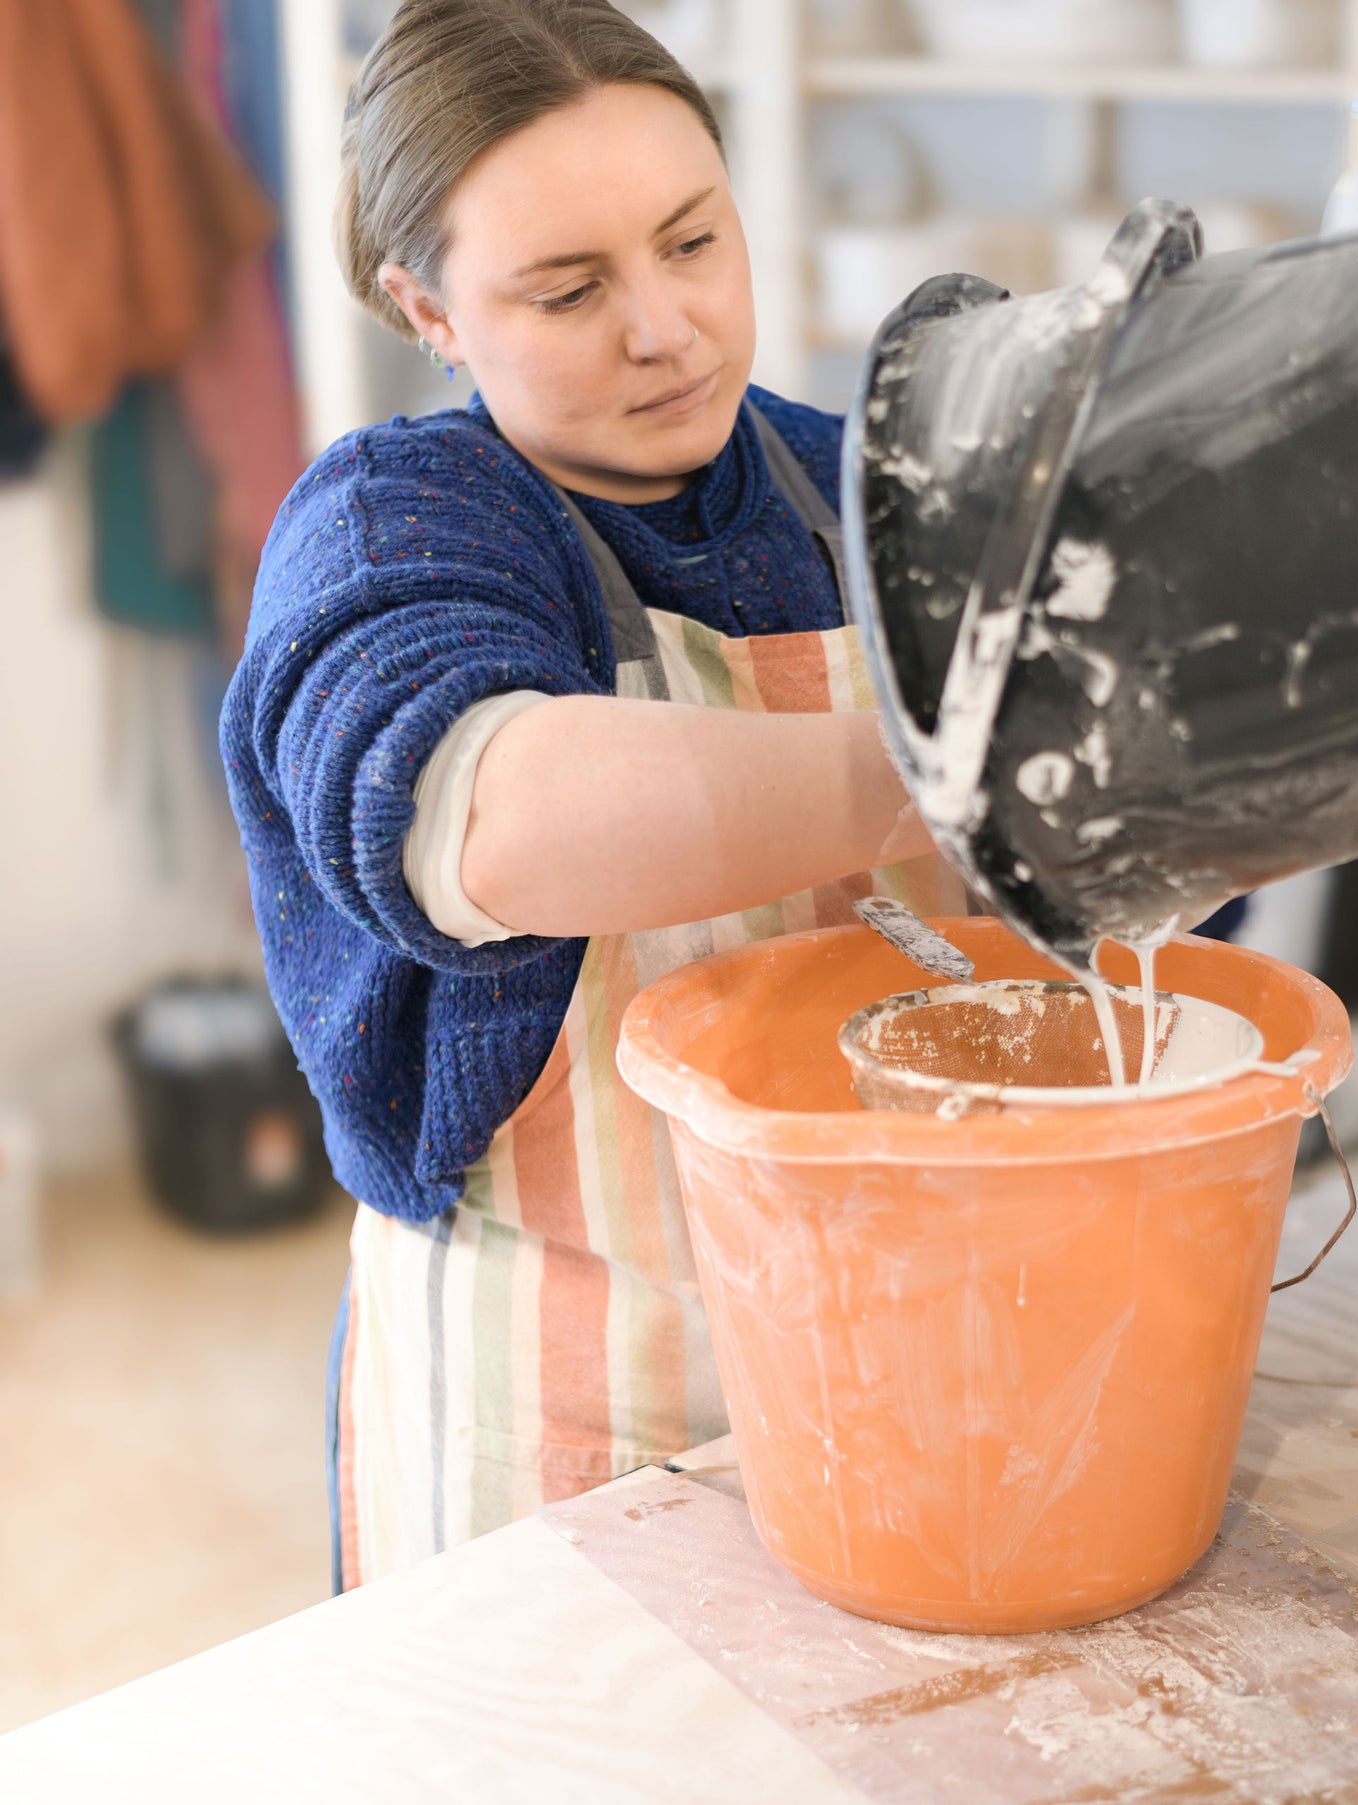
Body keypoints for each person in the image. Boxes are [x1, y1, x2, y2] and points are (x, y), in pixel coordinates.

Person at [221, 0, 968, 1591]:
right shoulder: (395, 522)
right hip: (565, 1412)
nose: (666, 328)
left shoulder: (867, 489)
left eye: (692, 241)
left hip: (897, 1359)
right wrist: (958, 764)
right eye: (568, 288)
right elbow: (487, 819)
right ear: (425, 303)